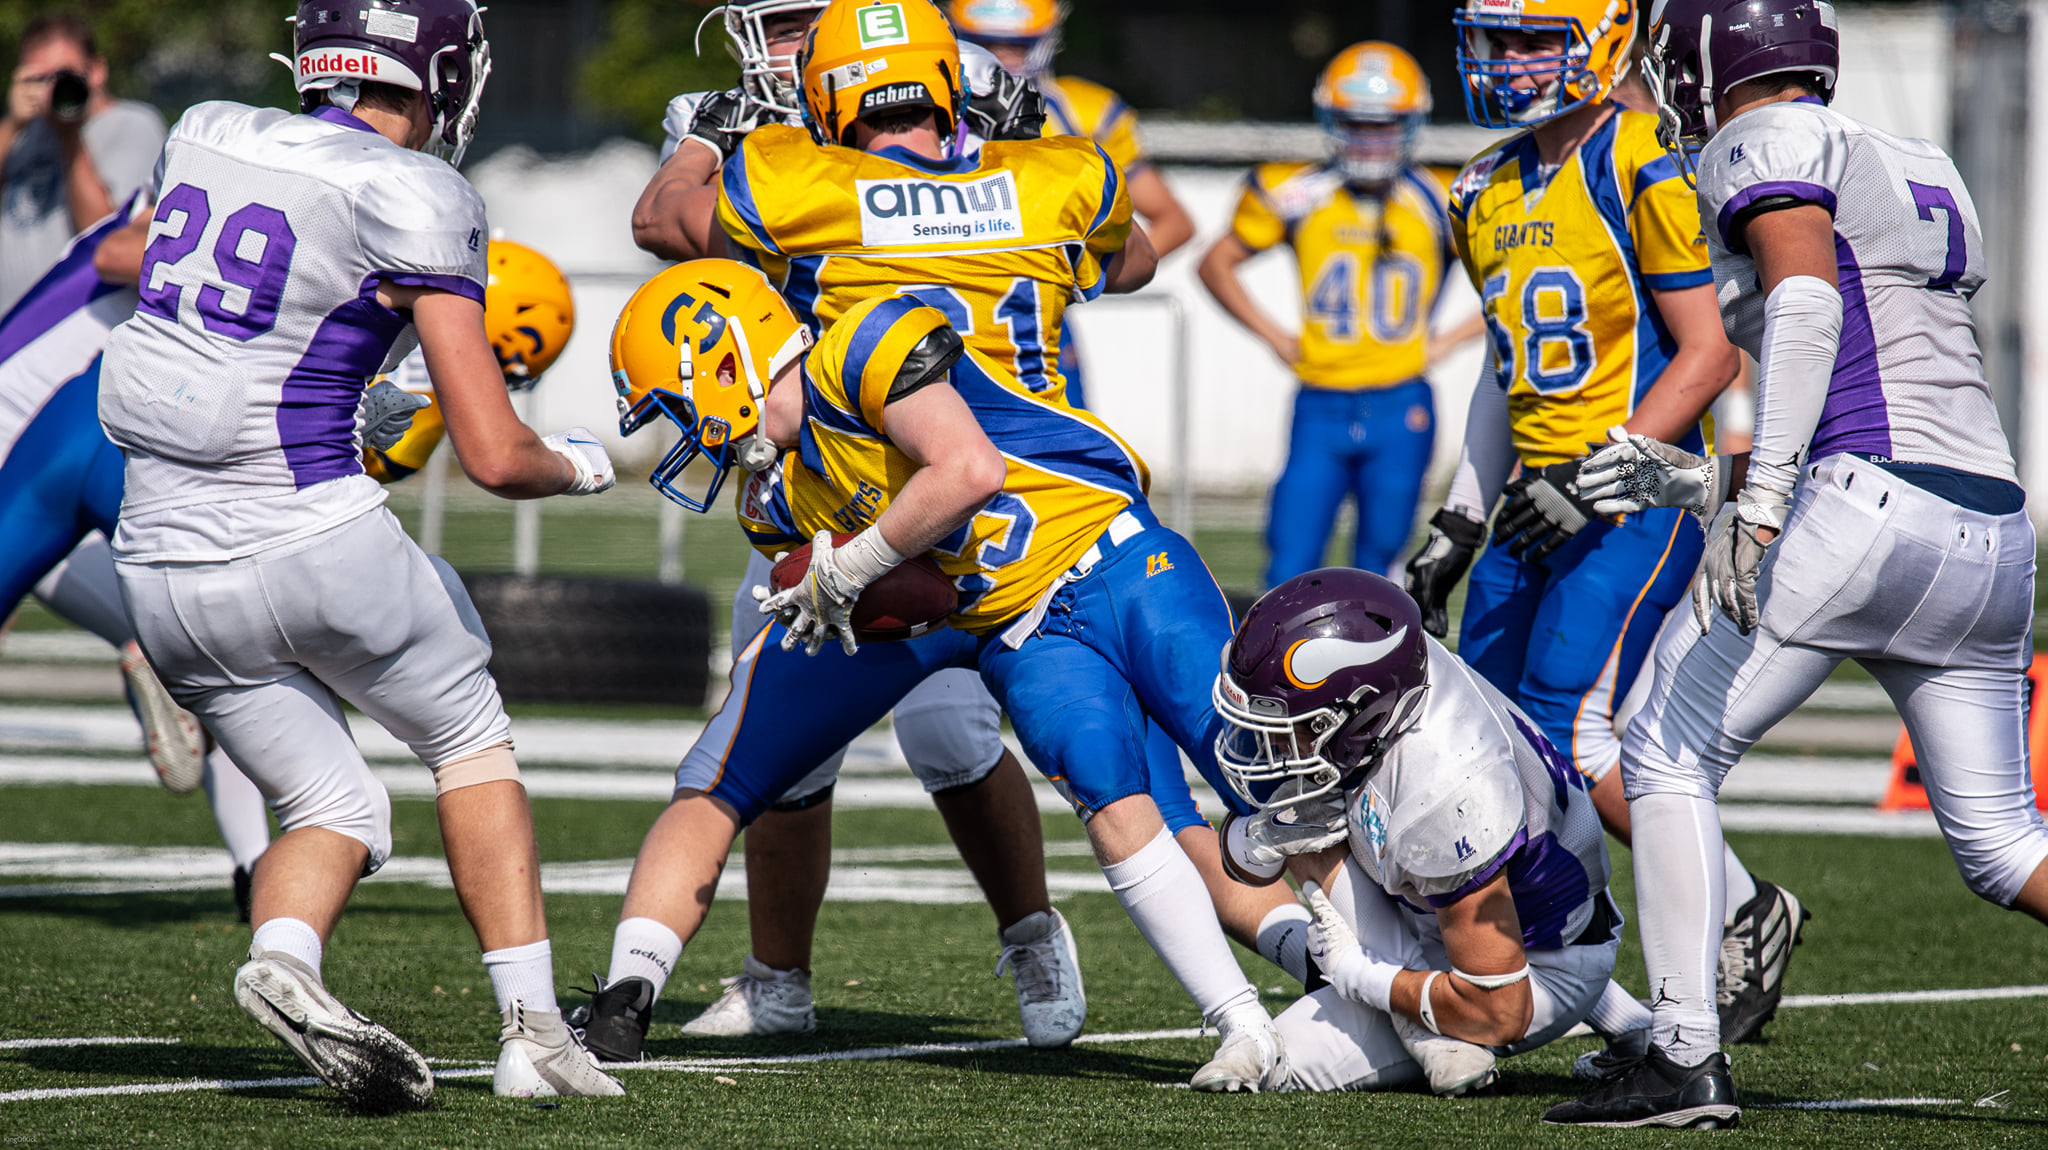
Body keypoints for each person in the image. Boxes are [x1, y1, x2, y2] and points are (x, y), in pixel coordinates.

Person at [95, 0, 621, 1107]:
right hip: (307, 527)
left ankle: (283, 959)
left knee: (333, 802)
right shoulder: (416, 188)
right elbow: (492, 454)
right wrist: (578, 463)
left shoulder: (208, 129)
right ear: (438, 71)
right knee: (468, 737)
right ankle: (534, 1034)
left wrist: (353, 377)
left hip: (158, 562)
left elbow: (170, 283)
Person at [607, 257, 1291, 1090]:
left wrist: (849, 566)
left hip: (1108, 557)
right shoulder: (772, 498)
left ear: (722, 363)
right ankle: (1247, 1026)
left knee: (1257, 765)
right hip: (1014, 623)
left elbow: (970, 471)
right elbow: (894, 586)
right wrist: (847, 588)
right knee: (1110, 792)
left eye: (676, 409)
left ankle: (1400, 966)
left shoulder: (860, 343)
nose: (678, 437)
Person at [1549, 0, 2047, 1126]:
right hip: (1988, 527)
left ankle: (1679, 1053)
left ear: (1711, 61)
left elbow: (1812, 305)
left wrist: (1760, 499)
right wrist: (1706, 482)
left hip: (1856, 511)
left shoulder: (1759, 139)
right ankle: (1678, 1049)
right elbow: (1892, 376)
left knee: (1661, 751)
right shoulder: (1912, 161)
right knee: (2003, 843)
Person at [617, 0, 1079, 1043]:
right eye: (768, 23)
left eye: (799, 23)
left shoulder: (934, 109)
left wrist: (1017, 126)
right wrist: (712, 134)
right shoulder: (744, 126)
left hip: (953, 461)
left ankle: (1031, 933)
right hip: (808, 471)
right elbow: (660, 230)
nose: (776, 46)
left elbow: (1081, 226)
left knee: (952, 731)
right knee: (781, 741)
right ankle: (778, 976)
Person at [1403, 0, 1806, 1067]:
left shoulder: (1638, 158)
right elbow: (1505, 372)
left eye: (1535, 35)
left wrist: (1595, 479)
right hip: (1535, 500)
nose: (1508, 60)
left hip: (1628, 495)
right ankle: (1574, 990)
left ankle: (1740, 908)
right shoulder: (1479, 181)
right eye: (1495, 39)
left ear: (1604, 36)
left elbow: (1707, 355)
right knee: (1476, 745)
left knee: (1567, 735)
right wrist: (1454, 516)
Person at [1213, 568, 1635, 1095]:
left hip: (1532, 969)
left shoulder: (1448, 790)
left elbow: (1500, 1010)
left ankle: (1429, 1027)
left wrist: (1359, 973)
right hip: (1473, 915)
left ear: (1356, 714)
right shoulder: (1396, 676)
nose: (1268, 745)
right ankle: (1636, 1026)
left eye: (1291, 723)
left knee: (1287, 1059)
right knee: (1302, 812)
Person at [0, 198, 271, 915]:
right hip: (69, 434)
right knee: (225, 641)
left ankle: (258, 867)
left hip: (43, 450)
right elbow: (121, 254)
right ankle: (260, 868)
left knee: (208, 642)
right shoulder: (191, 211)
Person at [1198, 42, 1464, 587]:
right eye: (1356, 124)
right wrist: (1275, 336)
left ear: (1410, 124)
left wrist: (1452, 338)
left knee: (1382, 568)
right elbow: (1216, 263)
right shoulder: (1298, 191)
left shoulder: (1441, 197)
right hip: (1319, 399)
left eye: (1384, 125)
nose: (1369, 139)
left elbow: (1510, 279)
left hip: (1401, 400)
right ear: (1331, 120)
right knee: (1289, 561)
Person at [947, 0, 1194, 407]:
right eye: (985, 43)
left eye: (1017, 46)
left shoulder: (1084, 113)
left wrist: (1078, 275)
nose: (1001, 59)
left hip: (1033, 316)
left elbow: (1172, 221)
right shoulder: (924, 112)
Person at [0, 13, 165, 312]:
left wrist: (69, 137)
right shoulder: (23, 132)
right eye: (39, 78)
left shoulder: (132, 124)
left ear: (97, 70)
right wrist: (12, 124)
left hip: (66, 336)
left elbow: (107, 236)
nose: (52, 89)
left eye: (63, 76)